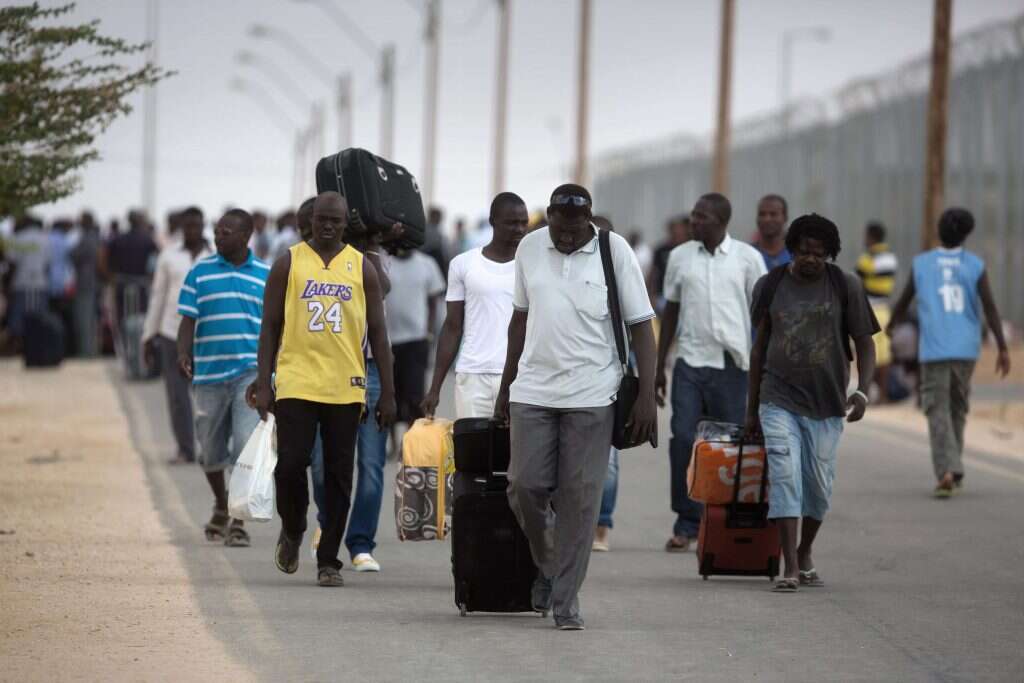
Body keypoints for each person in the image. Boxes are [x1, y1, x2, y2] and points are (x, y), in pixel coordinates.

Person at [495, 184, 657, 630]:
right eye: (560, 229)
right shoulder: (529, 247)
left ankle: (565, 600)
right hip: (533, 390)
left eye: (576, 230)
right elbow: (520, 319)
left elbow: (642, 325)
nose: (567, 238)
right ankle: (548, 566)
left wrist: (647, 395)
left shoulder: (614, 250)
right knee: (524, 487)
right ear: (548, 217)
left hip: (593, 393)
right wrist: (505, 388)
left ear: (589, 218)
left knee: (580, 500)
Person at [252, 191, 396, 587]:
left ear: (345, 222)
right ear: (311, 220)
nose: (328, 225)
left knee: (338, 476)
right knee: (291, 465)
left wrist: (388, 392)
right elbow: (269, 327)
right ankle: (294, 526)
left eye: (335, 219)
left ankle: (328, 560)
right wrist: (264, 383)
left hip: (346, 386)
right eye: (321, 219)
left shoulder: (361, 267)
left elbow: (380, 336)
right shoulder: (289, 262)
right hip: (297, 380)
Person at [746, 213, 878, 592]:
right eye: (804, 251)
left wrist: (863, 389)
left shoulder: (844, 285)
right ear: (792, 250)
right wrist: (751, 407)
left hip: (828, 402)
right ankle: (789, 565)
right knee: (785, 477)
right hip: (778, 397)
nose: (811, 260)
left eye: (820, 254)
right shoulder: (770, 286)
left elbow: (865, 343)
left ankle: (805, 551)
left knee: (818, 488)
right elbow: (759, 350)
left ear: (830, 255)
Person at [655, 193, 767, 552]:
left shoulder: (748, 259)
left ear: (721, 220)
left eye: (701, 217)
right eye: (693, 216)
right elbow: (669, 311)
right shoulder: (680, 256)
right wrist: (660, 366)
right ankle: (686, 522)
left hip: (732, 365)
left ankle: (724, 523)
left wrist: (763, 364)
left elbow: (764, 314)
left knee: (729, 447)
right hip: (689, 362)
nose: (694, 222)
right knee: (684, 438)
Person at [887, 208, 1011, 497]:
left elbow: (904, 301)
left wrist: (891, 325)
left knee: (936, 408)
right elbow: (990, 308)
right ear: (966, 234)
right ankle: (953, 468)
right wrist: (1002, 348)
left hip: (935, 349)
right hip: (966, 349)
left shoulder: (922, 264)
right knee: (957, 407)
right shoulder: (975, 265)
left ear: (938, 230)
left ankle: (946, 469)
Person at [176, 209, 267, 548]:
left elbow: (274, 326)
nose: (217, 237)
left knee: (244, 447)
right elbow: (187, 319)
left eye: (225, 232)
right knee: (210, 451)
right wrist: (183, 353)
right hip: (209, 375)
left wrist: (271, 373)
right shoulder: (199, 273)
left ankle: (239, 521)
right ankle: (220, 501)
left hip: (249, 375)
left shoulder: (266, 275)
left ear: (246, 236)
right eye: (216, 232)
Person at [421, 192, 528, 420]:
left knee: (513, 455)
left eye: (523, 223)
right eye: (512, 223)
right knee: (472, 453)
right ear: (493, 221)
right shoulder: (463, 264)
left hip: (520, 378)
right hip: (472, 377)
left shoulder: (531, 266)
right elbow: (452, 327)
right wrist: (435, 387)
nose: (519, 229)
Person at [144, 207, 212, 465]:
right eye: (188, 226)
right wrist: (148, 335)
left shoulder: (215, 256)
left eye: (197, 225)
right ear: (181, 227)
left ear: (203, 225)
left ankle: (211, 449)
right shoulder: (168, 256)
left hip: (207, 336)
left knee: (208, 397)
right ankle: (185, 449)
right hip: (171, 333)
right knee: (177, 397)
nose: (193, 230)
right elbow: (158, 296)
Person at [386, 242, 445, 434]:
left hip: (417, 340)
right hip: (387, 341)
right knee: (391, 395)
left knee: (415, 395)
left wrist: (429, 332)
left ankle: (411, 443)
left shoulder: (427, 264)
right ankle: (394, 443)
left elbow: (433, 301)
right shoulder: (385, 263)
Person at [856, 221, 899, 402]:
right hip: (885, 309)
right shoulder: (891, 258)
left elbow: (857, 284)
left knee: (869, 353)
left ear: (871, 237)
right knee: (885, 355)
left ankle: (870, 394)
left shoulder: (867, 259)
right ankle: (883, 394)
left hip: (870, 309)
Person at [5, 216, 49, 350]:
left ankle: (19, 347)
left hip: (21, 282)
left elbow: (12, 262)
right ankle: (36, 347)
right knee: (38, 317)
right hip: (40, 283)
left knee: (18, 318)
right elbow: (48, 263)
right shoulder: (45, 239)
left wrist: (8, 283)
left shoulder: (19, 238)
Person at [70, 211, 102, 357]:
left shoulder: (87, 238)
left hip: (85, 283)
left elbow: (73, 254)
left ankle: (86, 351)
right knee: (90, 319)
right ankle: (89, 350)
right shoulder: (95, 237)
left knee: (84, 318)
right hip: (93, 282)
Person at [647, 214, 690, 312]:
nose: (675, 233)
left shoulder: (688, 250)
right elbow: (653, 273)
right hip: (663, 295)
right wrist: (651, 295)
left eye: (678, 230)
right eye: (672, 230)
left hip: (684, 296)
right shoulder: (661, 249)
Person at [754, 194, 791, 270]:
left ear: (785, 217)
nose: (767, 219)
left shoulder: (796, 255)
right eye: (762, 214)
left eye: (773, 214)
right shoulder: (748, 254)